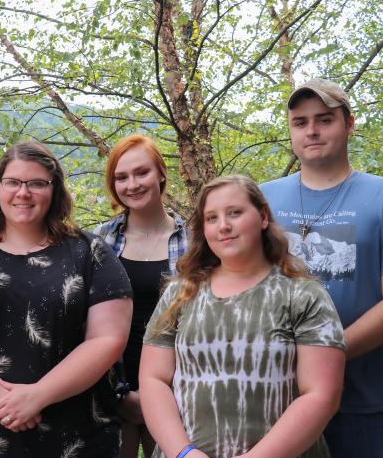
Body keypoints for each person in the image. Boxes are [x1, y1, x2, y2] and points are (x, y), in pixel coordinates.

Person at [0, 141, 133, 457]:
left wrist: (38, 396)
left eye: (36, 183)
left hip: (74, 438)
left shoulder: (91, 253)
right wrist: (4, 401)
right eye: (13, 183)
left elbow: (108, 339)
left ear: (54, 189)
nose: (23, 193)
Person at [260, 79, 383, 458]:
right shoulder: (262, 197)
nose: (311, 130)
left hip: (361, 404)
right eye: (300, 122)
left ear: (349, 124)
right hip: (271, 397)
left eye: (324, 119)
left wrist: (324, 354)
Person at [141, 175, 347, 458]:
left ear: (263, 216)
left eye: (234, 213)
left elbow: (321, 395)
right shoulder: (179, 294)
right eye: (211, 218)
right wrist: (183, 452)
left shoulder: (304, 295)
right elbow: (154, 379)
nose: (223, 226)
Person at [93, 134, 188, 458]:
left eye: (141, 173)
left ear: (161, 173)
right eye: (121, 177)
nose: (132, 184)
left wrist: (157, 395)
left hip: (177, 385)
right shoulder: (99, 240)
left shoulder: (196, 240)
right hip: (111, 383)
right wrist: (118, 394)